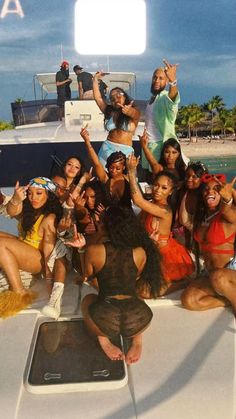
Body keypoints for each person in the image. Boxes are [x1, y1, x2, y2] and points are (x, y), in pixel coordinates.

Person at [69, 205, 162, 364]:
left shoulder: (94, 250)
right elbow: (135, 276)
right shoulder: (140, 251)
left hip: (105, 320)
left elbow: (87, 276)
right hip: (138, 320)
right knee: (136, 295)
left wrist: (82, 250)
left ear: (106, 227)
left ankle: (104, 341)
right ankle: (137, 339)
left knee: (88, 299)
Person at [127, 154, 194, 297]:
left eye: (164, 188)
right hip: (149, 252)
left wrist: (132, 172)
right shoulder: (151, 206)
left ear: (170, 192)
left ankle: (183, 283)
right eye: (156, 185)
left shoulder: (165, 211)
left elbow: (138, 200)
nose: (158, 190)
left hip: (164, 257)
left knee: (145, 292)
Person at [0, 177, 62, 318]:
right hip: (24, 248)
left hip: (37, 260)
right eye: (30, 193)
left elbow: (48, 253)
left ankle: (20, 291)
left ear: (49, 195)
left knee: (0, 244)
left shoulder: (49, 219)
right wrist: (16, 199)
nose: (33, 197)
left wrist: (49, 280)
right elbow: (11, 211)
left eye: (39, 193)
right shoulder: (30, 211)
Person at [181, 175, 236, 312]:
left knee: (219, 277)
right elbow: (184, 221)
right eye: (206, 189)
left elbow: (228, 211)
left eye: (216, 189)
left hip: (229, 274)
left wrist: (228, 199)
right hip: (211, 275)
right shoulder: (203, 219)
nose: (210, 192)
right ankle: (227, 299)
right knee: (189, 300)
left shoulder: (228, 216)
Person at [93, 71, 140, 167]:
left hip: (126, 152)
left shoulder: (133, 111)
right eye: (112, 98)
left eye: (118, 95)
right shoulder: (109, 112)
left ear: (125, 96)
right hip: (107, 149)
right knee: (104, 179)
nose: (115, 98)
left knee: (126, 180)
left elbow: (135, 114)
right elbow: (98, 98)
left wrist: (129, 111)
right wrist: (95, 79)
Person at [141, 59, 180, 173]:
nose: (157, 80)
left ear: (167, 81)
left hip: (161, 148)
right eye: (155, 77)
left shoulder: (164, 98)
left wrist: (173, 80)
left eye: (161, 78)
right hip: (148, 147)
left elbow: (173, 99)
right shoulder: (152, 99)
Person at [80, 126, 132, 208]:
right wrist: (87, 141)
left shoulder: (129, 179)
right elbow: (96, 162)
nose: (114, 171)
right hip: (108, 218)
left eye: (118, 168)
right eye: (111, 167)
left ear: (123, 167)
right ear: (107, 167)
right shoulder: (106, 179)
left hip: (126, 218)